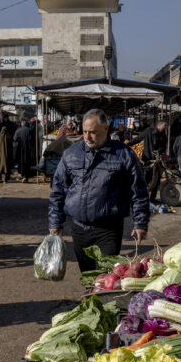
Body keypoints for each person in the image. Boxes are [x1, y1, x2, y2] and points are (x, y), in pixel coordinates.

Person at [48, 109, 150, 273]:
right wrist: (55, 221)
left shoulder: (124, 155)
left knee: (105, 277)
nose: (87, 137)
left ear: (106, 128)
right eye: (84, 131)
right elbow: (58, 189)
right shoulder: (71, 154)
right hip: (79, 229)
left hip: (109, 230)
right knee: (87, 276)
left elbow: (138, 192)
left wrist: (140, 223)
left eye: (92, 132)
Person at [129, 120, 167, 203]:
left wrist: (159, 151)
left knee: (157, 180)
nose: (166, 127)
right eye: (165, 125)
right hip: (147, 160)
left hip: (157, 160)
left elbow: (164, 147)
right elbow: (138, 138)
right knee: (146, 178)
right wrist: (128, 144)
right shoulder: (149, 131)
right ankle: (143, 197)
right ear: (160, 125)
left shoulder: (164, 135)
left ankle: (152, 198)